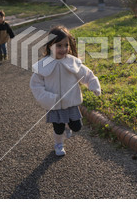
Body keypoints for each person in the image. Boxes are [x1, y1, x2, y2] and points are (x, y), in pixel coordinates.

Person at [30, 26, 101, 156]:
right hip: (55, 103)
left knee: (77, 127)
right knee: (58, 128)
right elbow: (36, 84)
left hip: (71, 102)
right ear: (50, 45)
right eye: (59, 45)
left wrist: (93, 85)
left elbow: (86, 74)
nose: (63, 49)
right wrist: (47, 97)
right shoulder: (44, 65)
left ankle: (68, 126)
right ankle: (59, 144)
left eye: (66, 45)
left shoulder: (72, 62)